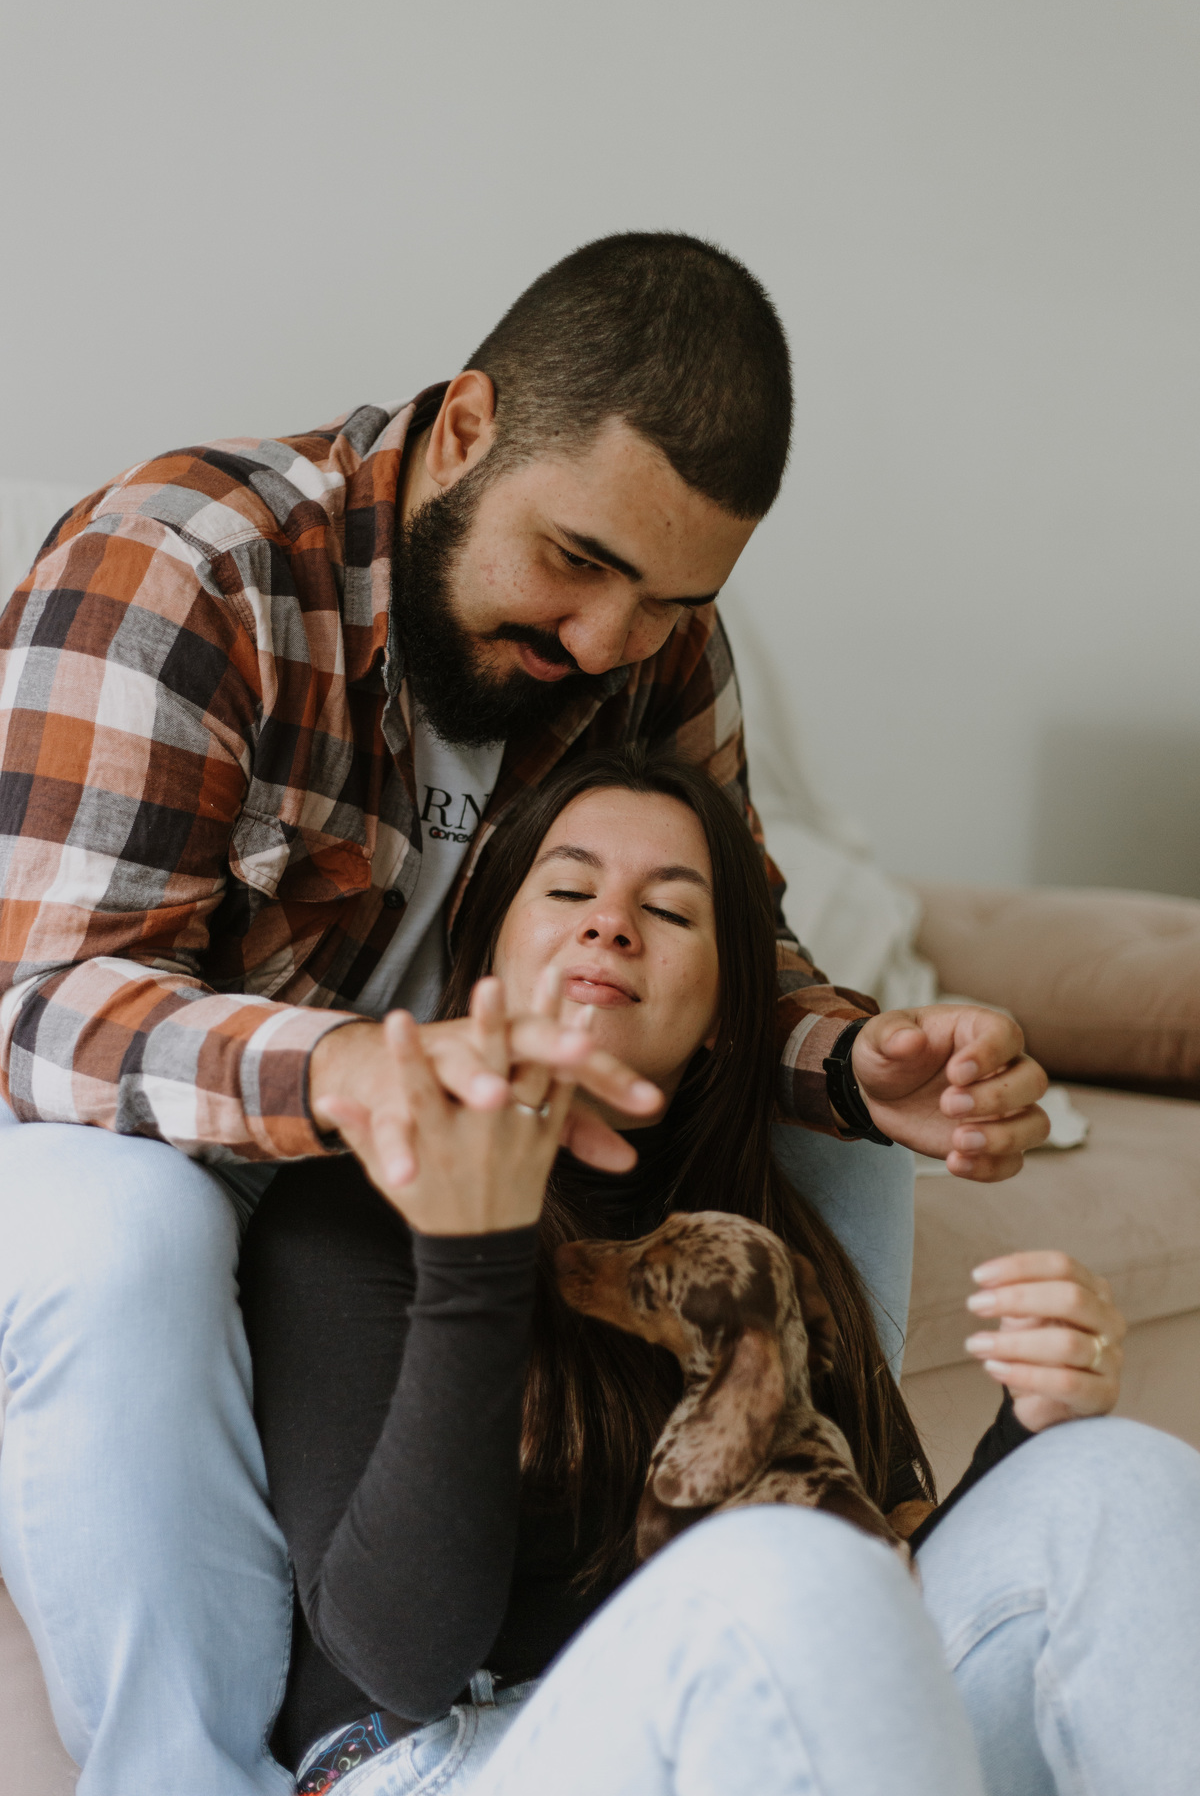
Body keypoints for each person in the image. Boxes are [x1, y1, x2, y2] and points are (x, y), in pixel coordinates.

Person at [0, 235, 1049, 1793]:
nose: (611, 644)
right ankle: (190, 1768)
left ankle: (797, 1600)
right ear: (470, 426)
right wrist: (355, 1069)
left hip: (446, 1120)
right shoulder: (187, 567)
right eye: (577, 562)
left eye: (670, 599)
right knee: (126, 1230)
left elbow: (726, 948)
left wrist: (851, 1060)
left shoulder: (654, 642)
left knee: (838, 1149)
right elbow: (44, 1009)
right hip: (152, 1124)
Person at [241, 747, 1200, 1796]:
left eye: (671, 911)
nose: (611, 924)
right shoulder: (352, 1207)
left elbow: (884, 1581)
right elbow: (399, 1661)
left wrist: (1030, 1424)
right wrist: (475, 1265)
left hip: (781, 1720)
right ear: (483, 962)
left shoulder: (759, 1237)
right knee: (783, 1564)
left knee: (1116, 1476)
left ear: (724, 1018)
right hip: (447, 1755)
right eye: (568, 891)